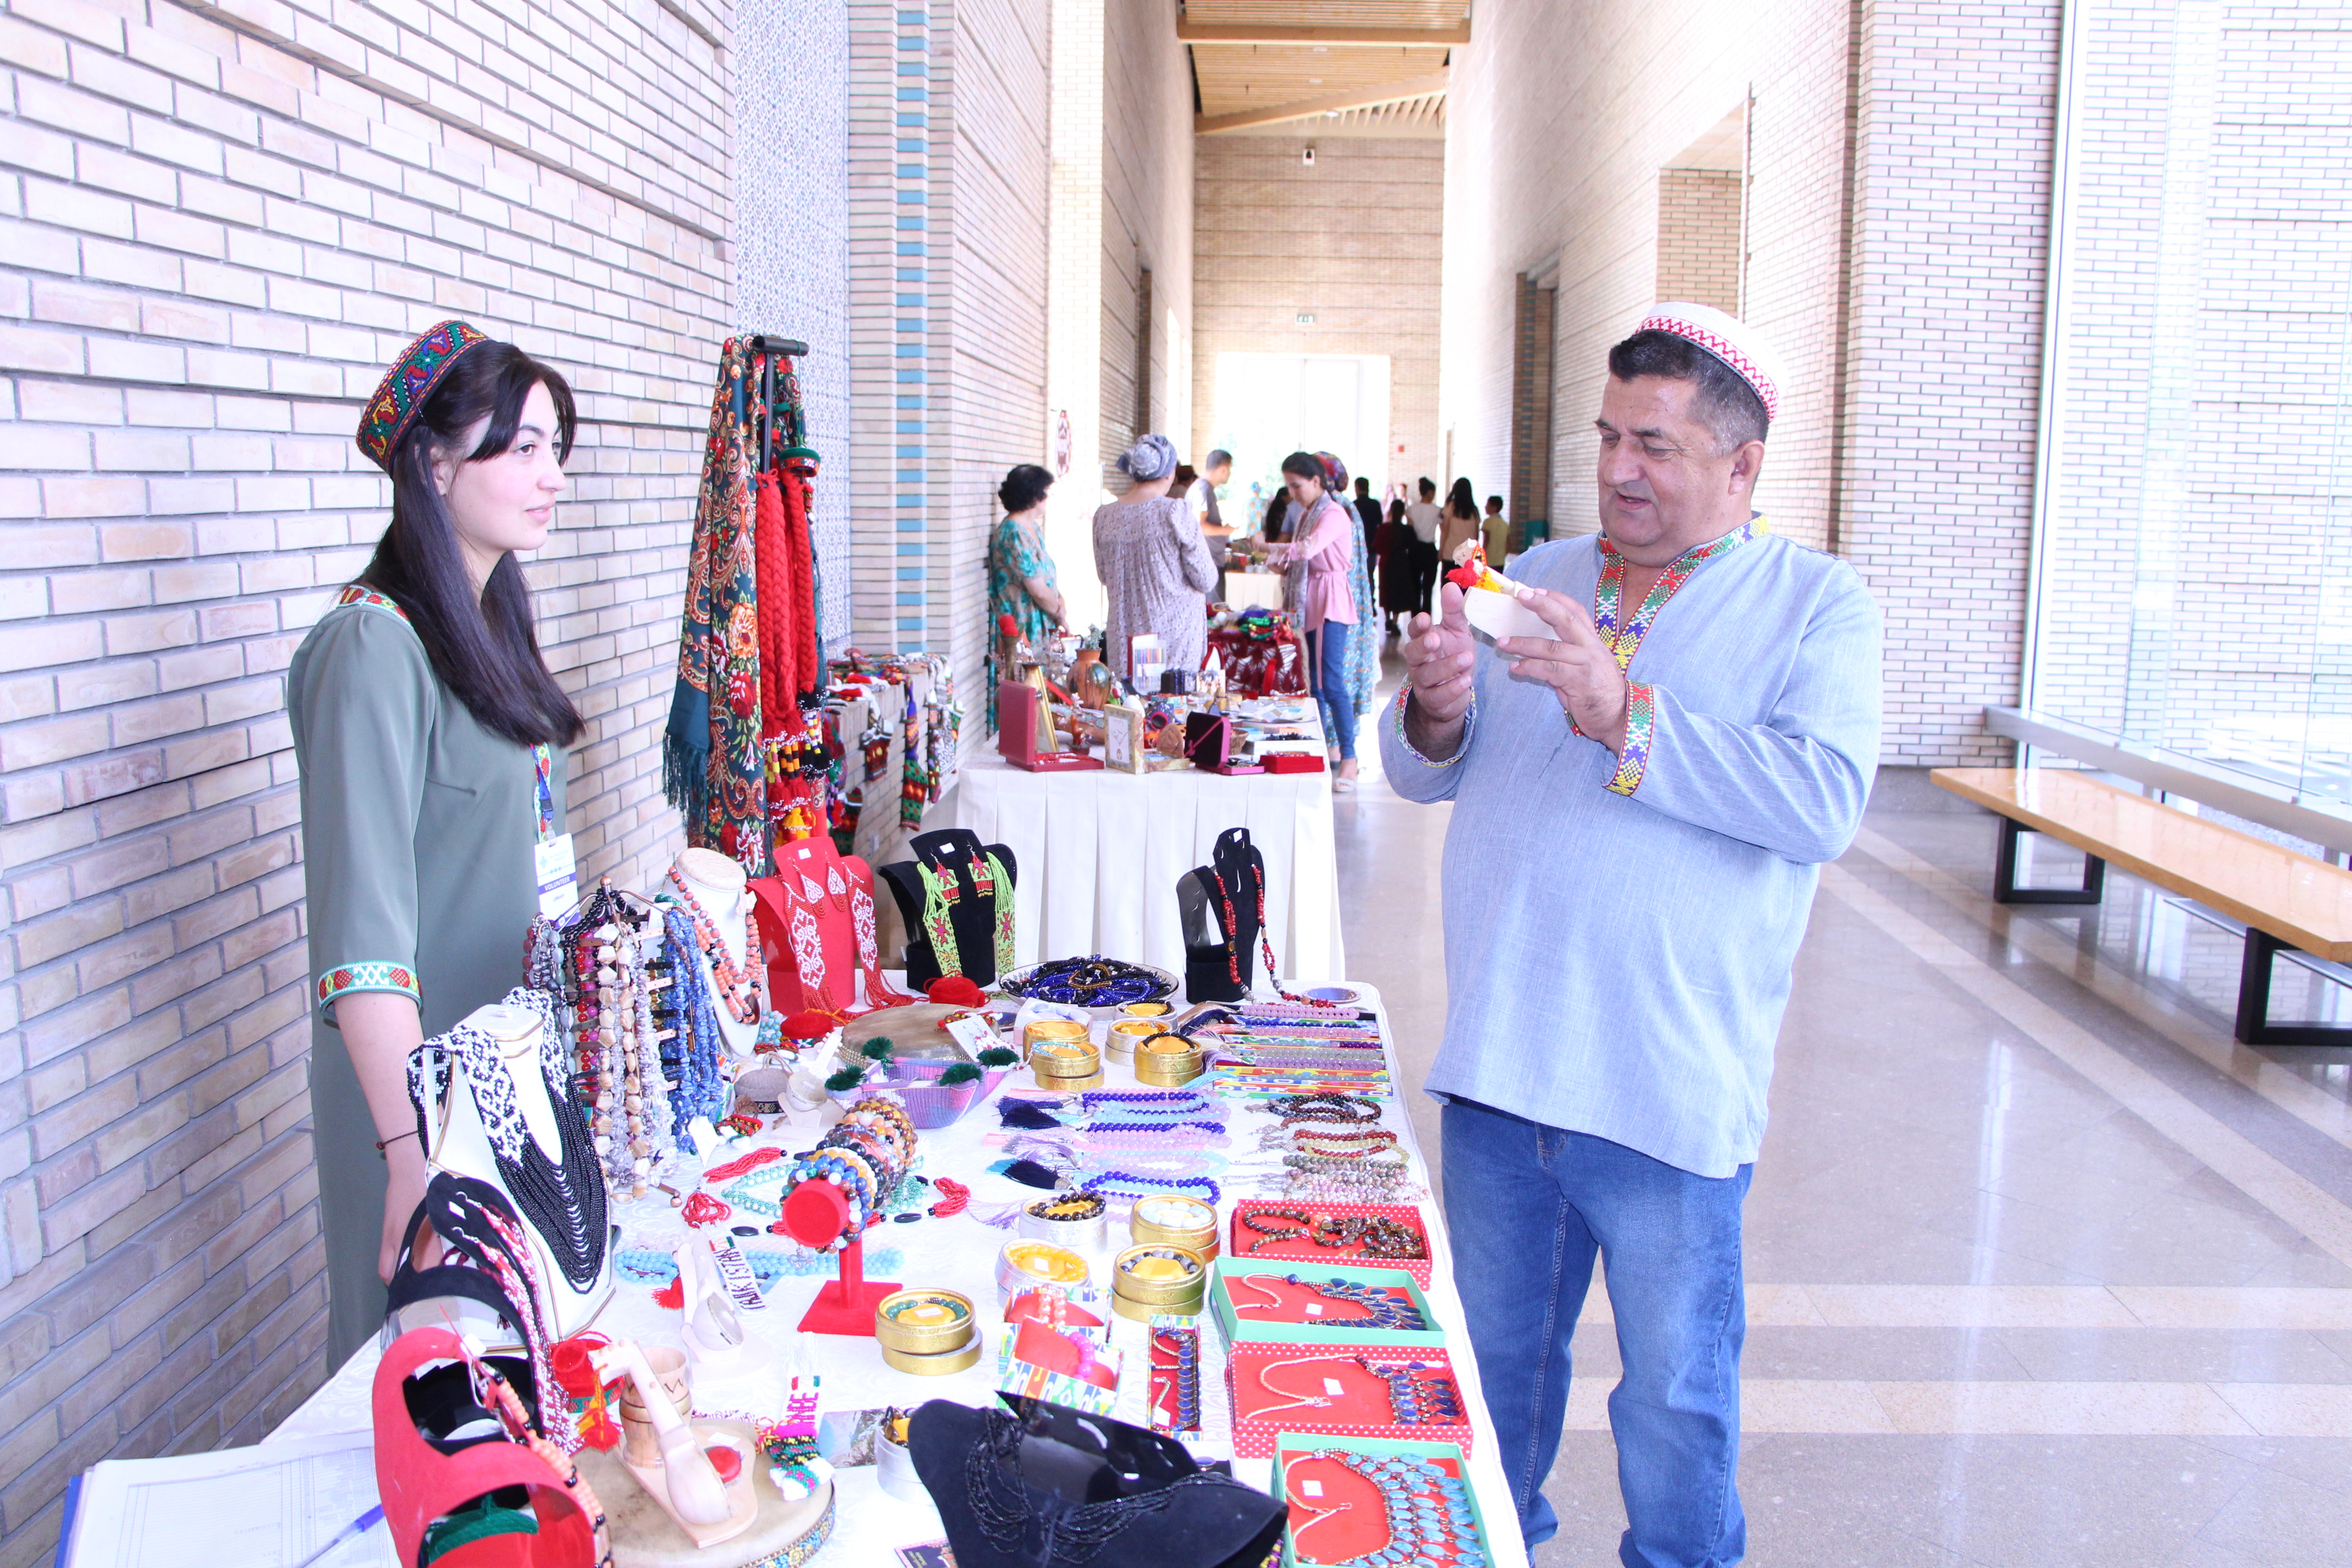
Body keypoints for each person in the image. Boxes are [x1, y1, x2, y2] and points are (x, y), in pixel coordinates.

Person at [1383, 301, 1882, 1568]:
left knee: (1673, 1403)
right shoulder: (1539, 578)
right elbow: (1430, 771)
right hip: (1501, 1070)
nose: (1617, 468)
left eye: (1654, 445)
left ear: (1741, 465)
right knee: (1489, 1389)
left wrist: (1626, 715)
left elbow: (1821, 801)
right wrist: (1435, 710)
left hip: (1662, 1090)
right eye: (1609, 435)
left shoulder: (1816, 607)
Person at [289, 321, 587, 1362]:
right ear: (434, 460)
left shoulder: (486, 627)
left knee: (519, 1374)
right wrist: (410, 1154)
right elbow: (361, 940)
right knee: (425, 1385)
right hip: (416, 1106)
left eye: (558, 448)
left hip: (503, 1073)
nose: (550, 475)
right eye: (522, 447)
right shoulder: (373, 646)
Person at [1263, 450, 1366, 791]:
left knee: (1332, 683)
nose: (1293, 494)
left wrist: (1268, 547)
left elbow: (1307, 550)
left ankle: (1349, 759)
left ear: (1317, 482)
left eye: (1297, 486)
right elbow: (1298, 558)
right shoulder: (1309, 513)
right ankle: (1320, 752)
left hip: (1329, 600)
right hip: (1310, 598)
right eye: (1289, 487)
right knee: (1315, 686)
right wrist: (1275, 560)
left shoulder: (1334, 513)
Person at [1093, 433, 1220, 681]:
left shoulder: (1105, 516)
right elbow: (1205, 579)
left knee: (1131, 712)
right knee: (1171, 714)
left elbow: (1105, 575)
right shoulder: (1174, 511)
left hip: (1125, 636)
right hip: (1173, 641)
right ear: (1169, 472)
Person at [989, 463, 1064, 724]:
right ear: (1034, 496)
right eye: (1045, 492)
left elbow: (1046, 576)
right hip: (1022, 629)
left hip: (1040, 624)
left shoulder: (1033, 529)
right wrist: (1059, 612)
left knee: (1043, 698)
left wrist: (1060, 600)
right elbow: (1036, 588)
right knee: (1025, 695)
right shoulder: (1013, 534)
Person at [1191, 449, 1234, 601]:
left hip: (1211, 560)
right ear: (1224, 469)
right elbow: (1201, 527)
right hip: (1208, 561)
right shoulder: (1203, 489)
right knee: (1214, 611)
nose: (1229, 473)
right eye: (1230, 469)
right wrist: (1226, 530)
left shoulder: (1205, 488)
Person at [1377, 492, 1417, 634]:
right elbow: (1413, 545)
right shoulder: (1407, 529)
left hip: (1386, 562)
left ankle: (1387, 619)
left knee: (1386, 590)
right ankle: (1394, 622)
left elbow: (1376, 546)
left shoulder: (1384, 528)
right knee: (1397, 592)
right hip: (1400, 562)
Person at [1402, 477, 1443, 614]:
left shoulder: (1411, 509)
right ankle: (1427, 615)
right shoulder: (1438, 510)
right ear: (1430, 492)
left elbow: (1409, 529)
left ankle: (1415, 616)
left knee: (1415, 585)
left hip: (1415, 549)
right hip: (1430, 550)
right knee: (1428, 587)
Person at [1440, 476, 1482, 562]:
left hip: (1451, 552)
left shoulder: (1451, 506)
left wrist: (1441, 550)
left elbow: (1445, 531)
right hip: (1467, 555)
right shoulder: (1474, 510)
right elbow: (1477, 534)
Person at [1483, 493, 1510, 566]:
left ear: (1494, 507)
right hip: (1501, 560)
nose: (1486, 507)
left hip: (1489, 559)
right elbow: (1508, 544)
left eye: (1488, 505)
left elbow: (1486, 540)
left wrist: (1483, 554)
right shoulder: (1505, 524)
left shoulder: (1488, 522)